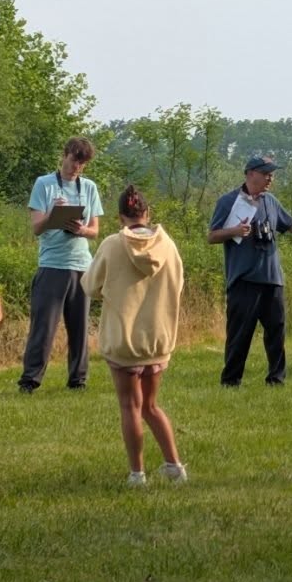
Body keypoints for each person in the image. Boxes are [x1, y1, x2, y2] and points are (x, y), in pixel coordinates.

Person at [83, 185, 187, 486]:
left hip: (123, 340)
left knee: (130, 406)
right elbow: (178, 284)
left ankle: (137, 473)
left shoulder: (112, 245)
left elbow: (90, 286)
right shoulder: (167, 245)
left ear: (120, 217)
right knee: (151, 406)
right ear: (147, 213)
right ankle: (174, 467)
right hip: (157, 339)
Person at [207, 155, 292, 387]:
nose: (270, 178)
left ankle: (276, 379)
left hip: (272, 279)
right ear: (250, 173)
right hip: (243, 280)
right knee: (239, 335)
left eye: (272, 174)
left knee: (276, 332)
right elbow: (212, 236)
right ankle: (231, 381)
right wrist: (234, 231)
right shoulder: (228, 201)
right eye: (266, 173)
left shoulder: (270, 201)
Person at [18, 137, 105, 393]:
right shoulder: (44, 184)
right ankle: (30, 380)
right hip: (52, 265)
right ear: (64, 155)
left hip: (81, 265)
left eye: (82, 163)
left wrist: (81, 229)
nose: (77, 167)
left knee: (79, 328)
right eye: (74, 160)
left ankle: (78, 380)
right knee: (43, 327)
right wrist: (53, 216)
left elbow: (95, 231)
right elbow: (36, 228)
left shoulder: (89, 187)